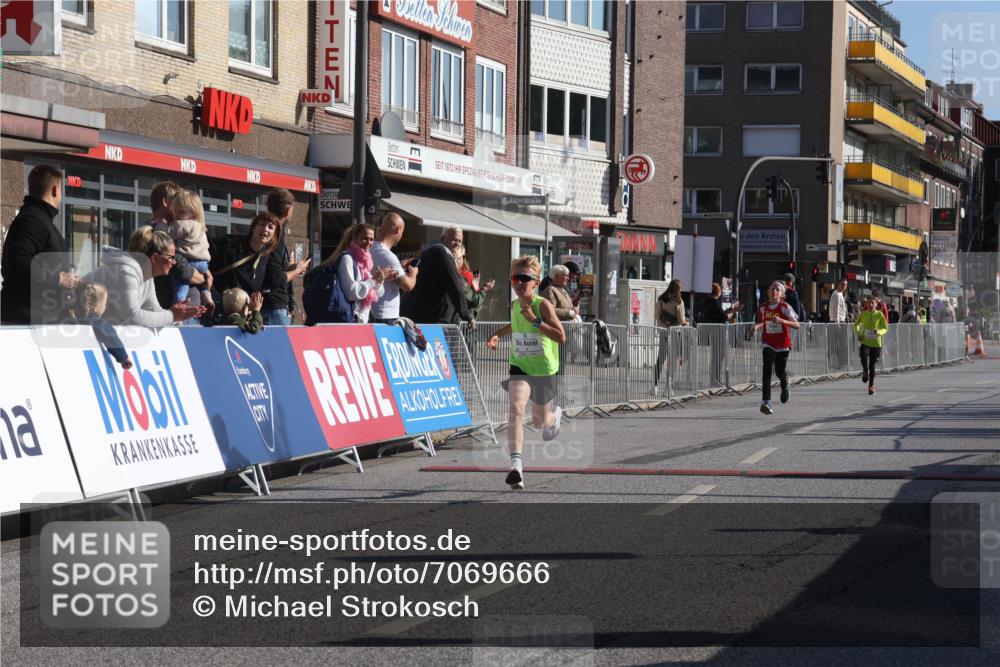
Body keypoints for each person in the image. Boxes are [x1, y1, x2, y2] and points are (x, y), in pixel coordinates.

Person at [486, 256, 566, 491]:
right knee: (516, 409)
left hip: (544, 369)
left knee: (541, 421)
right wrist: (497, 335)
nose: (519, 283)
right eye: (515, 278)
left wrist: (536, 321)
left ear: (536, 281)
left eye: (525, 278)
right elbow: (514, 324)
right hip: (520, 365)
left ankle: (554, 419)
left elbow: (561, 337)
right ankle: (516, 467)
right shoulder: (514, 305)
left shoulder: (543, 305)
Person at [1, 164, 77, 325]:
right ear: (55, 190)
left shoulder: (39, 219)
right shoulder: (32, 220)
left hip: (39, 318)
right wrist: (58, 278)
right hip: (27, 321)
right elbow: (17, 263)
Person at [83, 227, 204, 327]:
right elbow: (132, 317)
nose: (174, 262)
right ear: (155, 258)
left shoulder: (147, 276)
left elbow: (154, 311)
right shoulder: (126, 272)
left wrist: (178, 315)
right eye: (171, 257)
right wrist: (171, 315)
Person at [209, 213, 306, 308]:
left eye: (270, 227)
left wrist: (295, 269)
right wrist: (206, 273)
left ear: (274, 235)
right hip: (219, 306)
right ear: (253, 227)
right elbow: (205, 250)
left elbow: (275, 278)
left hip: (242, 312)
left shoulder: (267, 257)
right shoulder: (231, 243)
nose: (265, 229)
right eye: (262, 224)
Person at [146, 181, 210, 311]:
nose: (183, 205)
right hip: (174, 310)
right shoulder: (157, 232)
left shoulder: (176, 230)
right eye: (178, 202)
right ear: (166, 202)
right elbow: (182, 269)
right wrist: (203, 278)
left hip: (185, 310)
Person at [401, 225, 474, 326]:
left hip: (420, 317)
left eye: (459, 241)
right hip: (428, 320)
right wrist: (467, 316)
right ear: (443, 238)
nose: (457, 244)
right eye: (454, 240)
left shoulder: (431, 251)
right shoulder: (443, 252)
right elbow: (455, 285)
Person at [262, 188, 310, 325]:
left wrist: (290, 267)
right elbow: (276, 277)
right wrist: (297, 270)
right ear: (288, 211)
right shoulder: (275, 235)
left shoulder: (266, 233)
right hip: (275, 305)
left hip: (265, 304)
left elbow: (271, 267)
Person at [325, 224, 391, 324]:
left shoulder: (365, 262)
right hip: (349, 319)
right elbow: (352, 293)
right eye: (365, 238)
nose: (369, 243)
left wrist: (379, 280)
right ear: (355, 238)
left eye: (371, 239)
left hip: (361, 320)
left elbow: (377, 293)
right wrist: (373, 280)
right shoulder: (347, 259)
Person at [751, 280, 800, 415]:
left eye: (777, 289)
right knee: (766, 370)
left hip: (783, 344)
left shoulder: (785, 307)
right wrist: (756, 326)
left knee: (779, 371)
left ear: (782, 294)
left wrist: (782, 320)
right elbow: (762, 322)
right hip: (768, 343)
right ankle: (766, 401)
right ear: (768, 292)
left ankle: (785, 386)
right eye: (772, 289)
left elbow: (797, 325)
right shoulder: (763, 308)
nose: (774, 291)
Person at [166, 189, 214, 314]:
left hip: (189, 261)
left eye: (180, 211)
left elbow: (166, 238)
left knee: (180, 287)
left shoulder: (179, 224)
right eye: (175, 211)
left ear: (193, 212)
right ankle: (206, 294)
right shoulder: (201, 227)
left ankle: (179, 305)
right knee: (200, 284)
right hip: (203, 264)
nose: (176, 214)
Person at [68, 283, 132, 369]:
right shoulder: (95, 321)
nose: (105, 306)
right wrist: (123, 357)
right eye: (105, 303)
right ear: (95, 306)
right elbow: (110, 336)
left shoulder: (68, 313)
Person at [370, 212, 418, 324]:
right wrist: (413, 274)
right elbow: (408, 285)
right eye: (402, 232)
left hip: (372, 312)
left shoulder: (372, 248)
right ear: (398, 229)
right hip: (385, 314)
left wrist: (399, 266)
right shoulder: (388, 256)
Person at [653, 279, 688, 389]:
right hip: (675, 333)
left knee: (661, 359)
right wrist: (685, 322)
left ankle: (654, 386)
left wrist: (663, 324)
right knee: (672, 361)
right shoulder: (679, 302)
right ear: (678, 289)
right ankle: (668, 387)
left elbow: (657, 316)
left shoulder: (661, 299)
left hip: (663, 332)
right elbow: (681, 320)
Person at [452, 243, 494, 323]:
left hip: (436, 325)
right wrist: (484, 289)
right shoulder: (461, 277)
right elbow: (474, 301)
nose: (462, 260)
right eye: (462, 257)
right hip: (458, 325)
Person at [855, 296, 888, 395]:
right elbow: (856, 324)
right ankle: (865, 371)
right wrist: (858, 334)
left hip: (876, 344)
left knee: (872, 365)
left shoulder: (879, 315)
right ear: (866, 304)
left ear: (876, 304)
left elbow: (885, 328)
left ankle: (871, 386)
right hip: (865, 342)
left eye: (872, 303)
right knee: (863, 354)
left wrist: (879, 331)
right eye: (868, 303)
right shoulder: (863, 314)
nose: (870, 305)